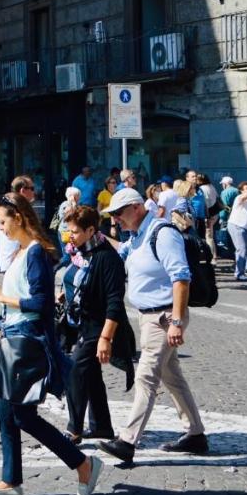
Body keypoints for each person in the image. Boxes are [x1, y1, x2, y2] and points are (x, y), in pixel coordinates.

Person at [0, 192, 104, 495]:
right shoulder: (20, 253)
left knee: (22, 415)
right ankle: (11, 480)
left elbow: (41, 303)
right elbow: (17, 296)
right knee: (6, 411)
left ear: (19, 217)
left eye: (2, 221)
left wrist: (1, 297)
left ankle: (83, 464)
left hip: (28, 340)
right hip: (14, 337)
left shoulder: (37, 253)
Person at [98, 188, 207, 467]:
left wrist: (177, 322)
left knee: (146, 377)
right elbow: (123, 252)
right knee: (173, 378)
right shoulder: (136, 237)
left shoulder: (163, 233)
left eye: (118, 214)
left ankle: (127, 441)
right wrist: (96, 236)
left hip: (164, 317)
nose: (116, 220)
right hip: (148, 316)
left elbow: (181, 277)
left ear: (136, 208)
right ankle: (195, 433)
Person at [60, 205, 132, 444]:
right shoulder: (81, 253)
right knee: (90, 375)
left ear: (91, 230)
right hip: (81, 323)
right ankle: (101, 426)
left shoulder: (107, 258)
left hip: (98, 326)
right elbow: (75, 281)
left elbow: (115, 302)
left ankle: (74, 429)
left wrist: (106, 338)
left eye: (75, 231)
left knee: (76, 372)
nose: (71, 236)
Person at [226, 181, 247, 281]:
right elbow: (243, 197)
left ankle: (241, 271)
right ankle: (239, 273)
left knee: (246, 250)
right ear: (241, 190)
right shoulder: (239, 198)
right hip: (237, 226)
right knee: (242, 249)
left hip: (246, 228)